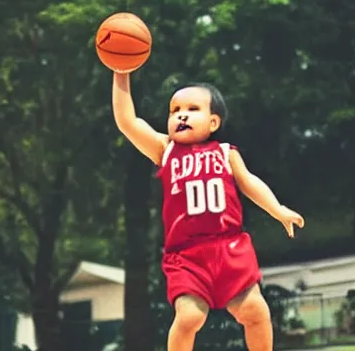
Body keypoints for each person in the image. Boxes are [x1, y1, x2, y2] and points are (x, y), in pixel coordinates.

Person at [112, 72, 305, 351]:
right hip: (186, 255)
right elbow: (127, 122)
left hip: (230, 247)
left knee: (256, 311)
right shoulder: (164, 149)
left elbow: (249, 182)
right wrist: (121, 73)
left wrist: (277, 209)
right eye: (175, 110)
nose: (181, 116)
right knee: (189, 316)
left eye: (192, 109)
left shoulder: (226, 153)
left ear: (213, 122)